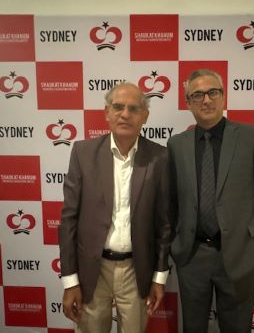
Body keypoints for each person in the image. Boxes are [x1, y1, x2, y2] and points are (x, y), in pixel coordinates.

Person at [168, 69, 254, 333]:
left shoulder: (252, 137)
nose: (206, 100)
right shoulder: (176, 144)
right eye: (197, 95)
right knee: (193, 328)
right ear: (188, 103)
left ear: (223, 96)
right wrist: (175, 243)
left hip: (240, 254)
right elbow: (171, 201)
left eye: (213, 92)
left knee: (237, 327)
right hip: (192, 255)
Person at [58, 82, 171, 333]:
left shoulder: (160, 157)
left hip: (136, 270)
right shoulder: (83, 152)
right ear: (107, 112)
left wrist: (159, 277)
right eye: (118, 107)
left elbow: (164, 223)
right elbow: (69, 220)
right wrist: (70, 281)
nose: (125, 114)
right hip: (92, 270)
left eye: (134, 108)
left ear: (145, 116)